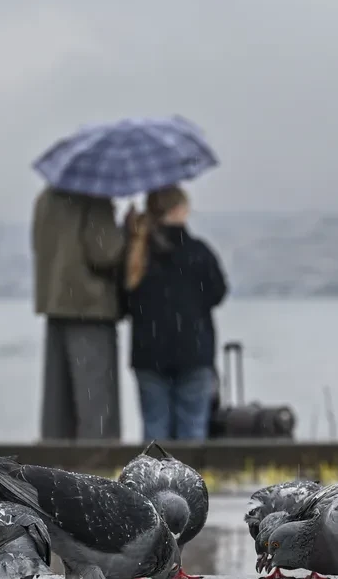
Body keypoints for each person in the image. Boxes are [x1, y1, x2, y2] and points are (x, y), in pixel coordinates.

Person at [124, 185, 228, 441]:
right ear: (179, 210)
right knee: (192, 431)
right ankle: (189, 482)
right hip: (194, 352)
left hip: (148, 354)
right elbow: (218, 293)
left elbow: (124, 302)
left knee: (154, 432)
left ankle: (152, 482)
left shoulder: (137, 253)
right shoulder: (198, 252)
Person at [31, 186, 126, 440]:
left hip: (55, 302)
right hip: (89, 307)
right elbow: (104, 253)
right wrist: (126, 232)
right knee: (96, 404)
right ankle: (97, 470)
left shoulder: (45, 200)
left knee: (57, 405)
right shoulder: (95, 198)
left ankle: (54, 465)